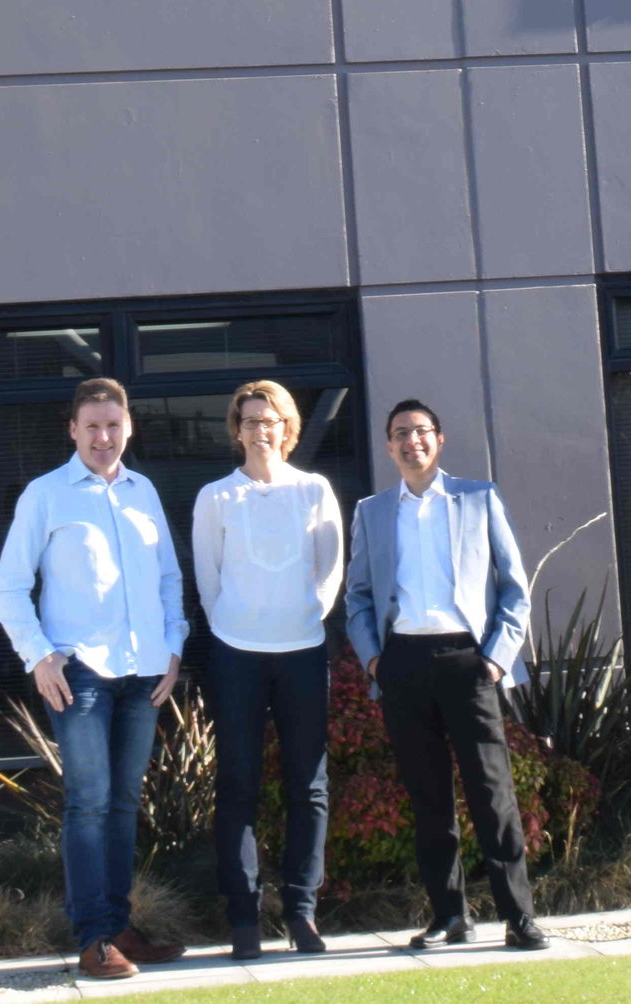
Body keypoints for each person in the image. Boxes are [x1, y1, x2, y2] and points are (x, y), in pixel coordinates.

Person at [0, 377, 190, 982]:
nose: (104, 436)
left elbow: (168, 579)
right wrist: (39, 657)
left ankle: (120, 925)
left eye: (113, 425)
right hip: (79, 674)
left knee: (124, 804)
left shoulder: (144, 492)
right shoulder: (45, 495)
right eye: (92, 426)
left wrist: (173, 648)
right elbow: (8, 587)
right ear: (72, 430)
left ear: (128, 429)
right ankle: (94, 939)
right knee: (89, 802)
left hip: (144, 673)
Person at [343, 398, 549, 952]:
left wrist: (496, 658)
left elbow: (514, 588)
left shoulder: (478, 499)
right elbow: (358, 595)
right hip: (403, 662)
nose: (412, 441)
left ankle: (518, 915)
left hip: (469, 661)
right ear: (388, 446)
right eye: (400, 433)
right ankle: (449, 916)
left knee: (492, 791)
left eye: (421, 431)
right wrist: (373, 660)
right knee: (428, 797)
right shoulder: (372, 511)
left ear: (439, 438)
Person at [190, 379, 345, 961]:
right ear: (237, 430)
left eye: (271, 419)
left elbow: (330, 571)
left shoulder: (314, 490)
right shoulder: (215, 498)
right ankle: (244, 919)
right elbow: (208, 579)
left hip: (303, 652)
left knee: (309, 786)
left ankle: (302, 913)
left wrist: (303, 616)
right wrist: (238, 623)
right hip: (236, 653)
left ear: (288, 428)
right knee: (238, 787)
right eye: (251, 420)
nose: (261, 429)